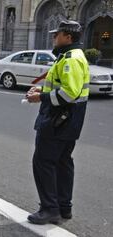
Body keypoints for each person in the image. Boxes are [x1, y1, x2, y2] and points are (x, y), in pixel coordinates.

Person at [26, 20, 90, 225]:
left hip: (58, 120)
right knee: (63, 163)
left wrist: (41, 97)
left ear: (68, 37)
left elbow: (69, 94)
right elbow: (65, 89)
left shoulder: (70, 59)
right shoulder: (70, 56)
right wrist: (42, 90)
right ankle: (63, 208)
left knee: (43, 162)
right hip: (69, 121)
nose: (54, 37)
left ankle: (49, 209)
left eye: (57, 34)